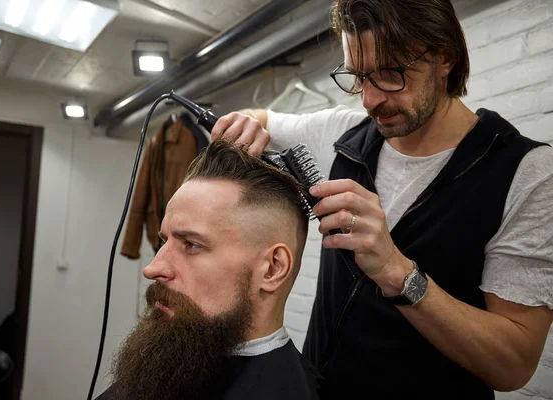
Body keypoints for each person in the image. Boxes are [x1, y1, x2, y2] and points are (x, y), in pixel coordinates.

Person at [210, 0, 553, 398]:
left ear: (445, 57)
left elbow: (512, 365)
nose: (370, 99)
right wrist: (245, 125)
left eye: (391, 73)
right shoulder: (342, 135)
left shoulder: (524, 171)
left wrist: (396, 271)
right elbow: (260, 118)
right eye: (358, 76)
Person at [96, 140, 324, 400]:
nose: (153, 268)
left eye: (191, 245)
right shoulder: (176, 360)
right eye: (164, 241)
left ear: (272, 269)